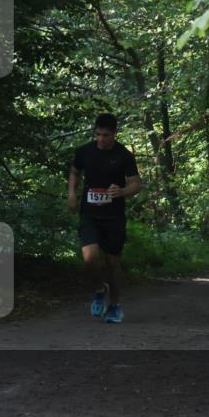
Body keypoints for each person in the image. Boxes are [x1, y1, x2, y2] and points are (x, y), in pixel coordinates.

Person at [67, 113, 142, 324]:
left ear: (115, 134)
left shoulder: (124, 155)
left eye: (106, 135)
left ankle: (115, 306)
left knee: (112, 262)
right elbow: (74, 172)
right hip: (89, 214)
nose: (101, 139)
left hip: (113, 216)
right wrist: (71, 194)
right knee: (90, 257)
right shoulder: (85, 151)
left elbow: (136, 184)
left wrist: (123, 191)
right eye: (98, 134)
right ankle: (100, 289)